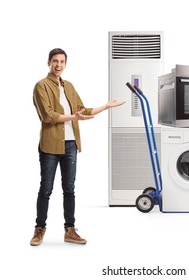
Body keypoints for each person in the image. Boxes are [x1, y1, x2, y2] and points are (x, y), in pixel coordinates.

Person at [30, 48, 125, 246]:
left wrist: (105, 106)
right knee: (46, 189)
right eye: (55, 61)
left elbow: (83, 111)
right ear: (48, 63)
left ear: (65, 64)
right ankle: (39, 229)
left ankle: (70, 230)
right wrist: (74, 117)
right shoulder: (41, 86)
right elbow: (48, 116)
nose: (58, 65)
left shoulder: (69, 87)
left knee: (69, 189)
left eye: (62, 61)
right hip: (50, 144)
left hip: (71, 144)